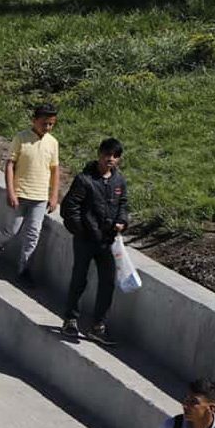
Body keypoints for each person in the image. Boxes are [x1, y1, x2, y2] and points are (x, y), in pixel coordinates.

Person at [60, 138, 129, 344]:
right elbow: (69, 209)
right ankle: (70, 320)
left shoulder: (119, 181)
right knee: (79, 279)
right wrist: (83, 231)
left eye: (115, 156)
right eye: (107, 155)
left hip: (108, 242)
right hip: (86, 240)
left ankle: (98, 325)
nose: (111, 159)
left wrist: (122, 222)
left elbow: (123, 205)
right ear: (99, 154)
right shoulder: (84, 179)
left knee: (107, 283)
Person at [0, 103, 60, 280]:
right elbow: (10, 164)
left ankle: (23, 268)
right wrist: (11, 191)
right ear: (34, 120)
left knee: (33, 234)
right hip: (20, 194)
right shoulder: (21, 138)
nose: (47, 127)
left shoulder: (53, 143)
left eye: (51, 124)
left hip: (40, 197)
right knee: (12, 229)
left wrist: (54, 195)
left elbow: (55, 170)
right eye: (44, 123)